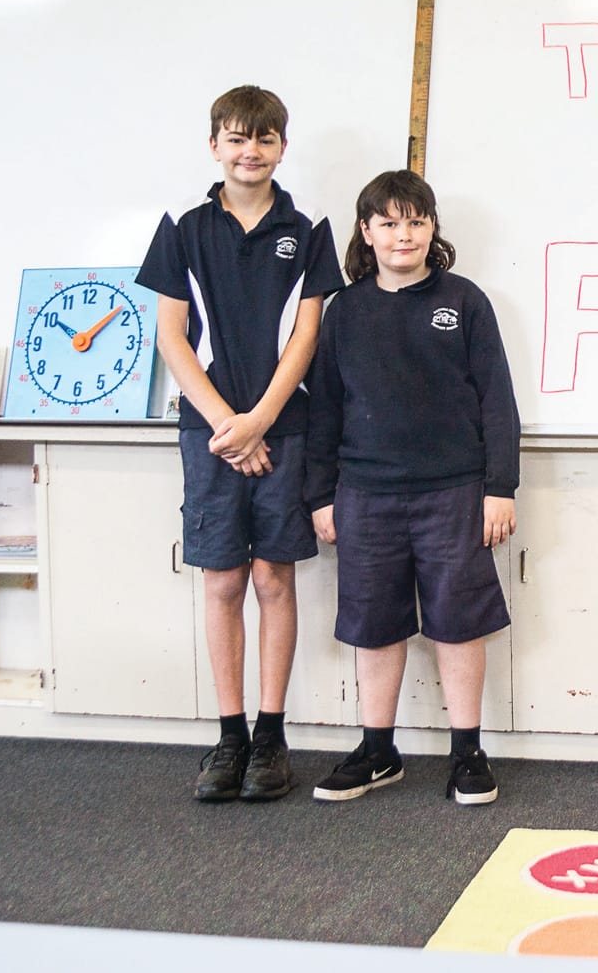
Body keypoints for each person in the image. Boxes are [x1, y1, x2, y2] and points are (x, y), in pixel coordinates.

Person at [137, 85, 343, 803]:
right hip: (211, 434)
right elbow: (171, 338)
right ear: (214, 145)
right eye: (234, 138)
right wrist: (231, 427)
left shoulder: (308, 233)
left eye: (262, 139)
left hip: (284, 428)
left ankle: (270, 735)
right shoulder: (183, 230)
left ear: (282, 146)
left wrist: (259, 421)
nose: (248, 151)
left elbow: (308, 335)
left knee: (273, 580)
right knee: (223, 581)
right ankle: (228, 735)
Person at [303, 169, 520, 806]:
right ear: (367, 233)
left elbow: (497, 402)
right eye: (390, 223)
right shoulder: (344, 312)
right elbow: (325, 412)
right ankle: (378, 750)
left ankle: (468, 752)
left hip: (455, 491)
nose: (405, 234)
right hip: (364, 494)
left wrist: (499, 487)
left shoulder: (466, 301)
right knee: (374, 624)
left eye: (417, 221)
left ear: (433, 229)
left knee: (457, 623)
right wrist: (321, 495)